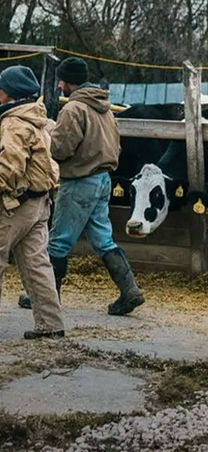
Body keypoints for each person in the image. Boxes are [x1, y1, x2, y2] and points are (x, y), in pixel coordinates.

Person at [20, 56, 144, 315]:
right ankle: (130, 290)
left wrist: (48, 137)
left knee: (58, 242)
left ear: (68, 81)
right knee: (103, 239)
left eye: (61, 81)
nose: (58, 87)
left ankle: (45, 298)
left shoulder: (74, 109)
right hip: (103, 180)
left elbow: (61, 148)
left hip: (79, 182)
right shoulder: (105, 108)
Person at [0, 66, 66, 338]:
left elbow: (8, 168)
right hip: (40, 204)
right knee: (37, 265)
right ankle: (51, 324)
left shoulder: (13, 123)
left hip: (13, 206)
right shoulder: (39, 120)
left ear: (8, 93)